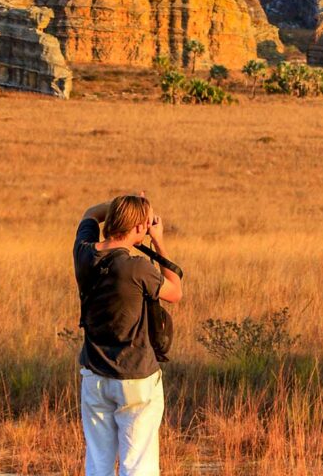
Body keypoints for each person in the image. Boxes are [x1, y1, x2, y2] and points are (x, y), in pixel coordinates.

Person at [74, 194, 184, 476]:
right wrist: (158, 240)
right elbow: (175, 291)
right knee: (138, 466)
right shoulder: (137, 267)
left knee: (98, 463)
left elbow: (90, 212)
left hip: (95, 375)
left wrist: (123, 206)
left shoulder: (84, 253)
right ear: (139, 228)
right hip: (136, 378)